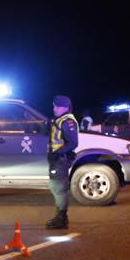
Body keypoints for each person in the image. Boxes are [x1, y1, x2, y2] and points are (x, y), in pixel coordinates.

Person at [46, 95, 78, 230]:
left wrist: (57, 153)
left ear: (64, 107)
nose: (54, 108)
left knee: (59, 188)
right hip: (57, 158)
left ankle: (62, 219)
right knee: (55, 187)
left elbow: (73, 143)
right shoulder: (59, 120)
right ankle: (60, 217)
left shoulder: (67, 121)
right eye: (54, 106)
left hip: (60, 159)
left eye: (56, 106)